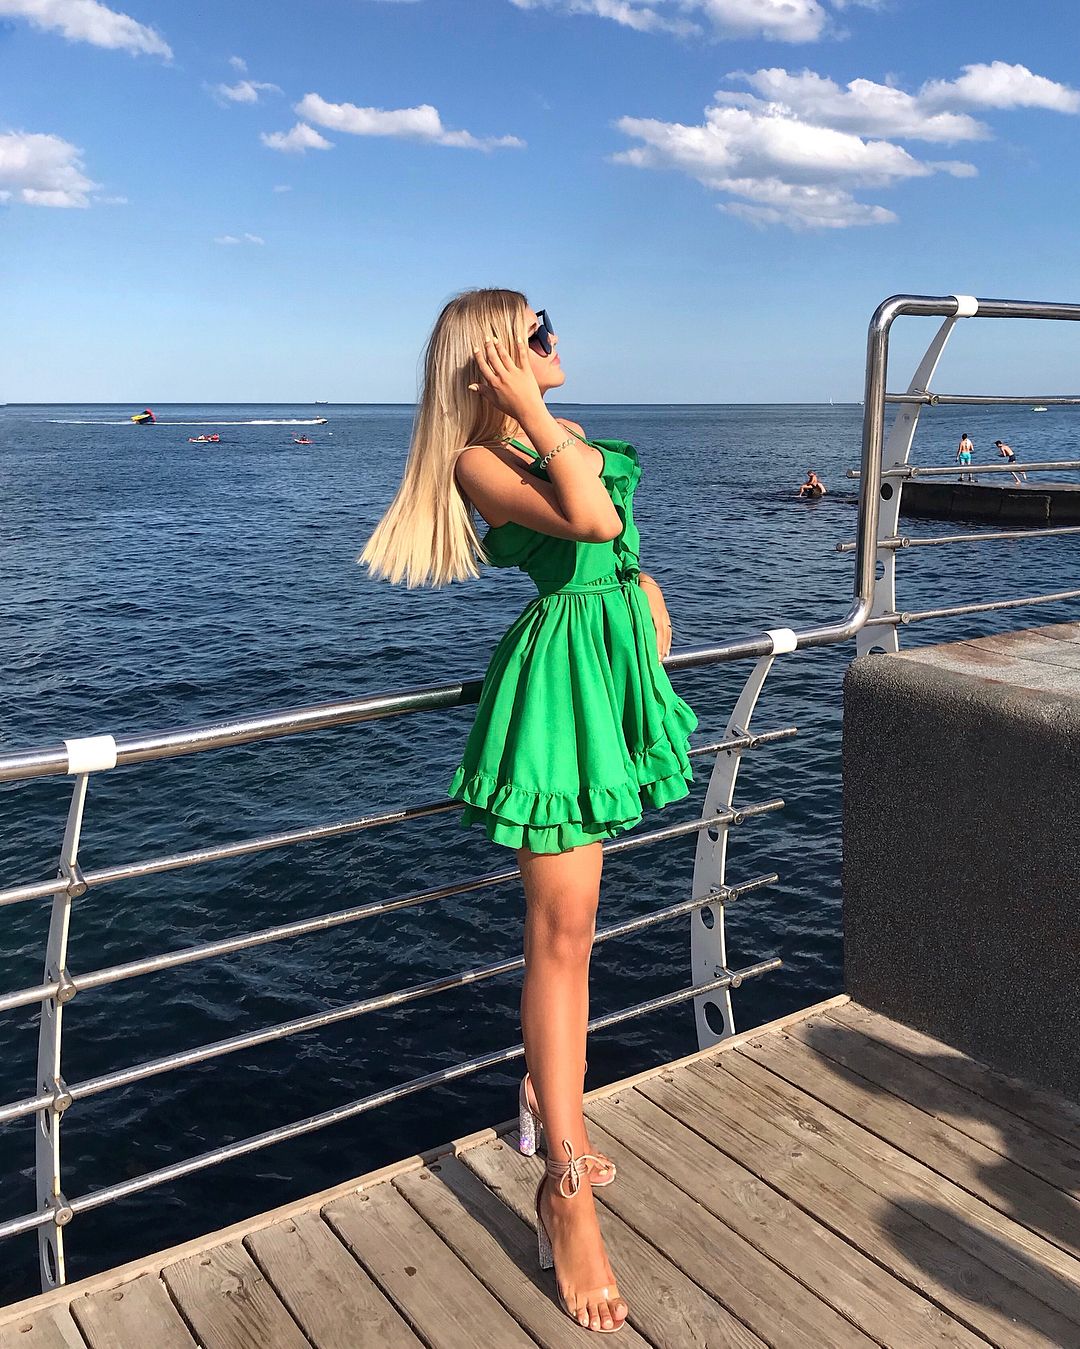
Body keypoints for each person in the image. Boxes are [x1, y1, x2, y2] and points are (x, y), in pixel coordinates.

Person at [361, 290, 697, 1334]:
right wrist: (534, 415)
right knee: (561, 935)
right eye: (535, 333)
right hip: (559, 693)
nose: (555, 340)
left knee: (581, 934)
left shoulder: (557, 434)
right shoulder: (481, 461)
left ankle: (549, 1112)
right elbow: (591, 517)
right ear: (494, 360)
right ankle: (565, 1184)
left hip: (609, 674)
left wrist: (644, 585)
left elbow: (612, 541)